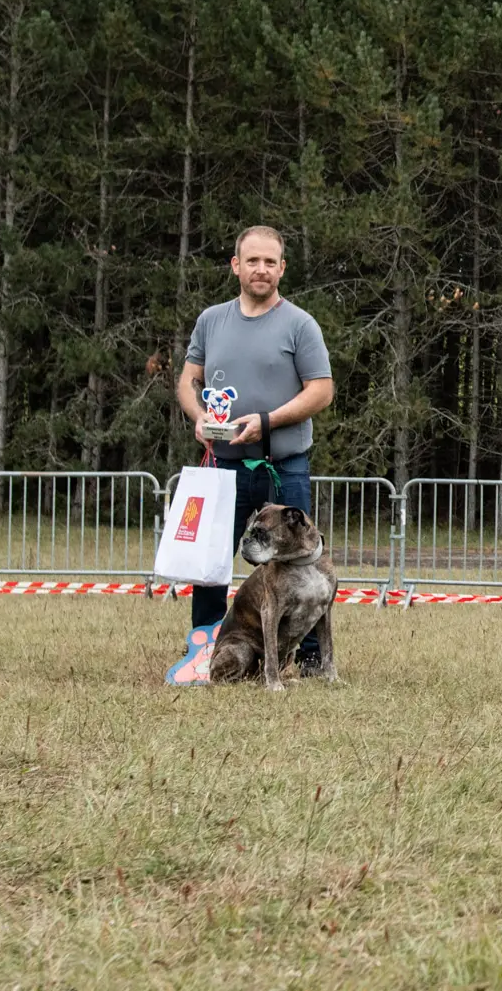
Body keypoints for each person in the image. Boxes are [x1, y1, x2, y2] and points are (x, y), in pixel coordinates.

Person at [175, 225, 336, 671]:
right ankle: (206, 649)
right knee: (209, 566)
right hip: (223, 470)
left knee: (300, 564)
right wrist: (198, 417)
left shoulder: (300, 325)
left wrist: (266, 421)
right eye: (252, 261)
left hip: (282, 469)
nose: (261, 269)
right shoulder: (211, 321)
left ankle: (307, 657)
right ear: (235, 266)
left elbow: (321, 391)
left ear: (282, 268)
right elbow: (190, 380)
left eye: (270, 262)